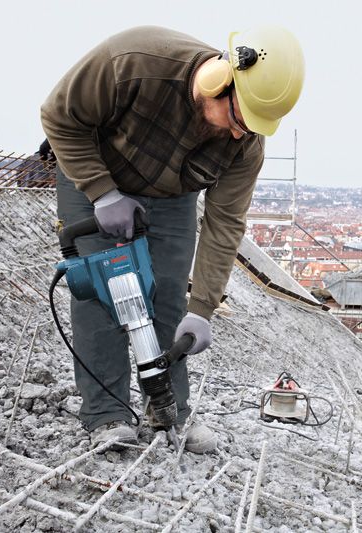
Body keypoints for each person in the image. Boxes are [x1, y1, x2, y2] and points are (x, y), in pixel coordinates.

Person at [40, 25, 304, 453]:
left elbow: (225, 223)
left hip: (171, 195)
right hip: (95, 171)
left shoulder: (246, 146)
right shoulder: (136, 62)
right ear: (218, 82)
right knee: (103, 296)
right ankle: (106, 416)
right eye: (239, 119)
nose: (241, 133)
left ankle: (168, 411)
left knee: (165, 299)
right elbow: (58, 116)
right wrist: (102, 192)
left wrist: (202, 309)